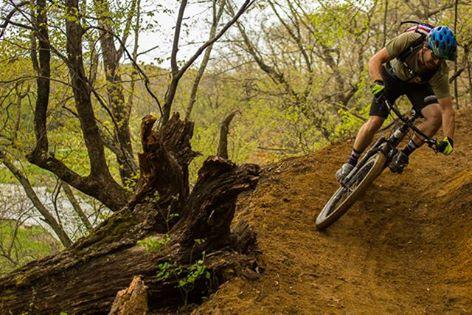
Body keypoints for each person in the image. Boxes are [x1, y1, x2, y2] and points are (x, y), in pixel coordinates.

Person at [336, 25, 458, 182]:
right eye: (434, 56)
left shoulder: (439, 71)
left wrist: (449, 140)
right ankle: (351, 162)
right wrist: (377, 83)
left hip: (418, 86)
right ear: (425, 46)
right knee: (375, 121)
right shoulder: (409, 40)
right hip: (391, 77)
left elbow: (447, 109)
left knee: (435, 116)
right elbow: (375, 60)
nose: (436, 62)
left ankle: (404, 153)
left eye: (441, 59)